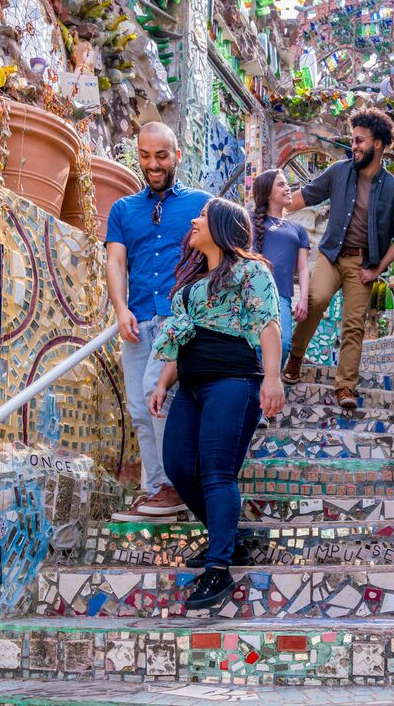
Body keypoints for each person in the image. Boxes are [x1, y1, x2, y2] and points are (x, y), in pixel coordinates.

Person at [149, 198, 286, 610]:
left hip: (232, 381)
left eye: (203, 216)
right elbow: (181, 338)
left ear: (223, 225)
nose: (194, 220)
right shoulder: (192, 281)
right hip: (189, 386)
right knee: (176, 466)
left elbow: (268, 323)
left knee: (215, 471)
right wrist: (162, 382)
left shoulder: (250, 271)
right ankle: (230, 541)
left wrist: (274, 378)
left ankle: (218, 569)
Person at [106, 122, 212, 523]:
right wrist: (119, 308)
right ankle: (156, 493)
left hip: (176, 317)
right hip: (136, 319)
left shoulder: (201, 204)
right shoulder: (123, 209)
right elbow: (116, 260)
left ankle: (175, 486)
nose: (153, 164)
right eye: (146, 156)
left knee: (157, 392)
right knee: (138, 408)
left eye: (161, 155)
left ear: (177, 156)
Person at [280, 108, 394, 409]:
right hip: (331, 255)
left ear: (378, 144)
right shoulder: (339, 172)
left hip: (363, 265)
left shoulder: (393, 191)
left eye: (360, 140)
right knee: (315, 300)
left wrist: (378, 268)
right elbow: (307, 195)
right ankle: (296, 357)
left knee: (353, 325)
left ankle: (345, 387)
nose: (354, 146)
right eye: (352, 140)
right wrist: (274, 208)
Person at [250, 169, 310, 426]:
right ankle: (255, 407)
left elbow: (304, 268)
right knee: (253, 347)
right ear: (267, 192)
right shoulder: (250, 221)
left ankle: (265, 398)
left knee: (283, 343)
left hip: (282, 297)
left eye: (287, 184)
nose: (288, 188)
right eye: (282, 184)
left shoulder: (297, 229)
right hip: (252, 296)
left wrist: (303, 298)